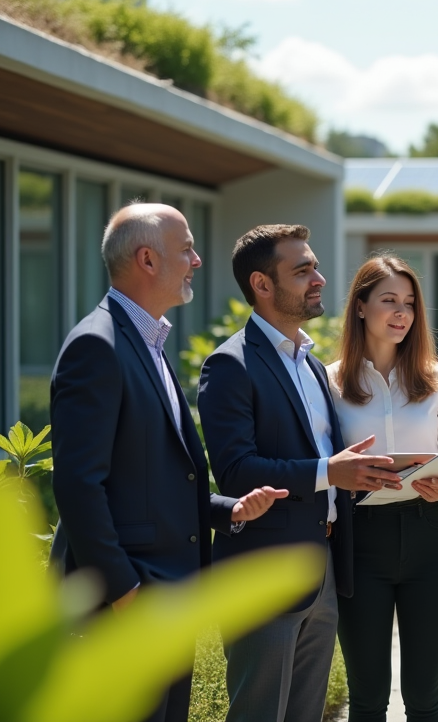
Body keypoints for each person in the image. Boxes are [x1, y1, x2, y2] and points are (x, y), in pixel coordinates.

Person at [50, 203, 285, 722]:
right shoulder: (97, 344)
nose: (198, 260)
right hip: (128, 606)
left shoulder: (146, 339)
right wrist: (124, 591)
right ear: (147, 260)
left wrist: (229, 509)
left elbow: (152, 476)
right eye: (186, 249)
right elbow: (78, 484)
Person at [197, 224, 404, 722]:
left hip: (323, 570)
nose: (320, 278)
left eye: (314, 266)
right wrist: (329, 471)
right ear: (262, 286)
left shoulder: (311, 365)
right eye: (303, 270)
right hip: (262, 572)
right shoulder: (230, 365)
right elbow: (235, 470)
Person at [326, 254, 438, 722]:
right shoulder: (326, 381)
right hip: (359, 541)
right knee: (367, 698)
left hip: (428, 537)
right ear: (361, 307)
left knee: (426, 698)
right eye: (389, 300)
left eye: (409, 302)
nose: (401, 312)